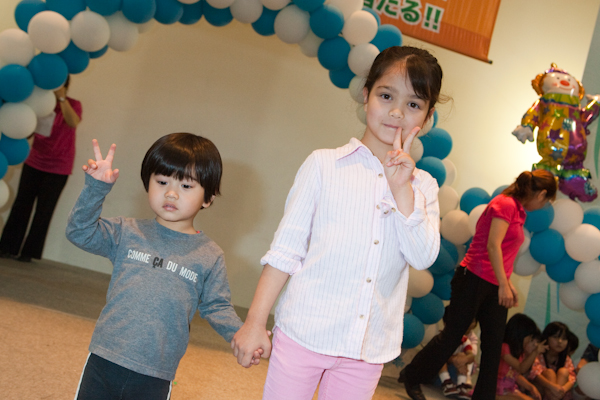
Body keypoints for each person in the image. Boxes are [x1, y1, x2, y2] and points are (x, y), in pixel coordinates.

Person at [231, 45, 443, 400]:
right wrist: (254, 322)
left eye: (413, 104)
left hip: (368, 348)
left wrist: (401, 189)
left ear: (428, 115)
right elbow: (285, 251)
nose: (396, 112)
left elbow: (422, 257)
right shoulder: (323, 165)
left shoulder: (423, 187)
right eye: (386, 95)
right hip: (304, 333)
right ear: (366, 94)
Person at [66, 134, 261, 399]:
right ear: (147, 183)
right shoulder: (127, 232)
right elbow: (79, 232)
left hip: (156, 372)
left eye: (186, 185)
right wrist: (96, 188)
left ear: (208, 198)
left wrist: (241, 335)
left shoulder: (209, 255)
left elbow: (217, 306)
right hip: (105, 356)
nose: (171, 192)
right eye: (161, 182)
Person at [400, 169, 558, 400]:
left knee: (494, 346)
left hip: (494, 284)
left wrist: (507, 284)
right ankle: (412, 375)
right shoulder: (505, 204)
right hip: (474, 277)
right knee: (452, 336)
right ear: (542, 194)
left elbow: (504, 253)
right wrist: (504, 284)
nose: (544, 205)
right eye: (546, 201)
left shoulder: (519, 211)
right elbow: (493, 245)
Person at [0, 75, 82, 262]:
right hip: (34, 160)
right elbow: (28, 131)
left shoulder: (74, 104)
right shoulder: (38, 104)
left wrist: (61, 99)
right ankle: (7, 247)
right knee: (22, 204)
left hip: (59, 167)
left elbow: (73, 122)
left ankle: (29, 253)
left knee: (44, 211)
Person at [496, 313, 548, 400]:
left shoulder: (519, 353)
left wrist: (531, 387)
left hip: (509, 388)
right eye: (530, 338)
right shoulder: (504, 348)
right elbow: (521, 368)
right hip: (498, 388)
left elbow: (515, 375)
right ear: (520, 334)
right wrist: (535, 352)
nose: (529, 341)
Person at [528, 322, 577, 400]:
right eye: (555, 337)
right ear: (547, 337)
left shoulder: (566, 358)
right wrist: (552, 387)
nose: (560, 341)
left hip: (559, 394)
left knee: (564, 371)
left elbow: (572, 378)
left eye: (564, 338)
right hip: (541, 391)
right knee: (549, 373)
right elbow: (534, 374)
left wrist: (562, 389)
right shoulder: (538, 353)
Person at [438, 318, 478, 400]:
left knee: (464, 356)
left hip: (454, 377)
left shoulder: (464, 340)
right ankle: (446, 383)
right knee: (439, 356)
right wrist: (454, 359)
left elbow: (471, 355)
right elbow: (440, 355)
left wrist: (464, 359)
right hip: (439, 376)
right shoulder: (440, 337)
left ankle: (461, 385)